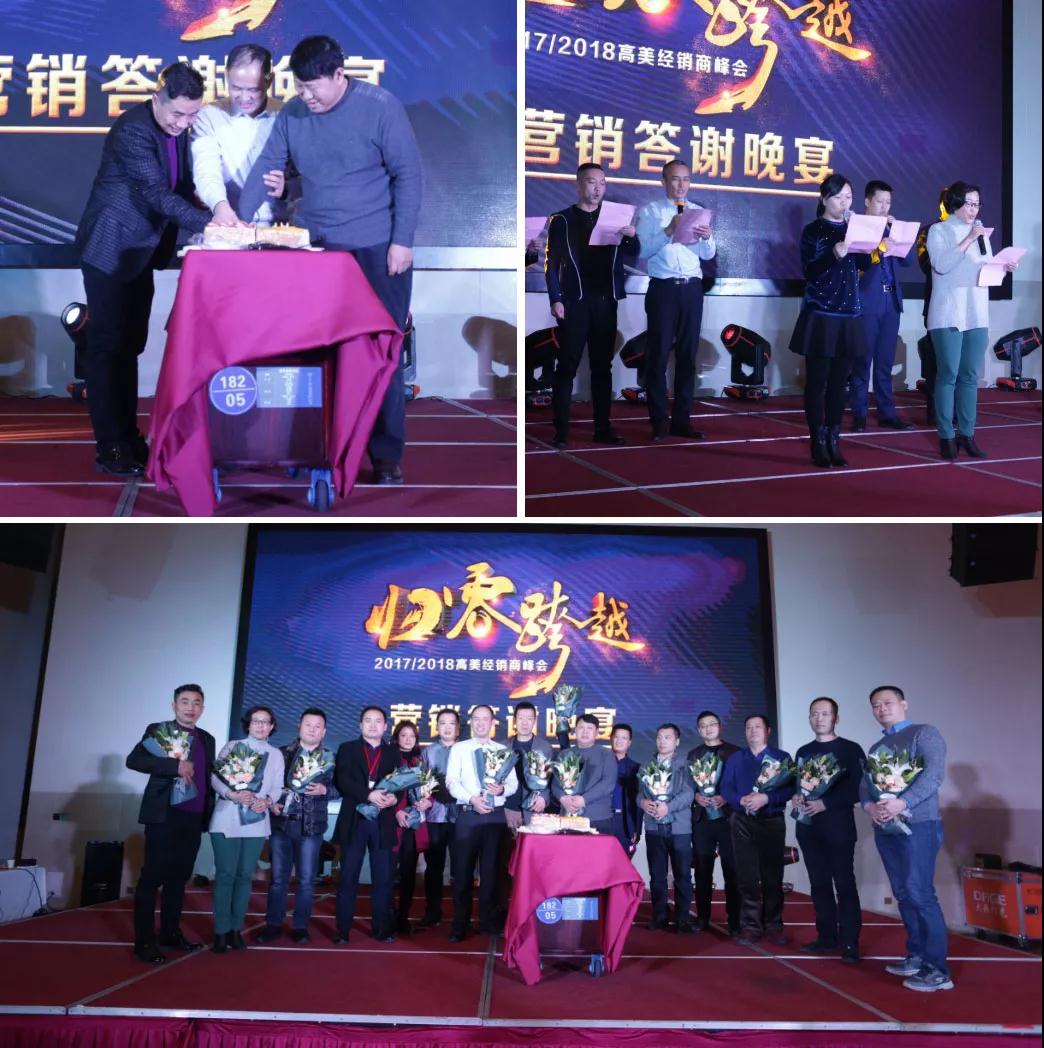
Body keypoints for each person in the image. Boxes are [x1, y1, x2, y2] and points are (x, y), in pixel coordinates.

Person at [238, 34, 423, 485]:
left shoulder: (380, 107)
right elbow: (267, 166)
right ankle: (317, 445)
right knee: (315, 352)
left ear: (339, 75)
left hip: (376, 250)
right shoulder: (293, 114)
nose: (305, 96)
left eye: (312, 87)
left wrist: (401, 241)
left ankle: (386, 455)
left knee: (380, 353)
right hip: (317, 250)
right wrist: (238, 223)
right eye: (298, 86)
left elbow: (408, 175)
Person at [75, 63, 232, 476]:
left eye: (192, 115)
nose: (183, 123)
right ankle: (110, 446)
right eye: (177, 114)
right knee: (108, 346)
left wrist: (218, 205)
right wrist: (213, 224)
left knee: (130, 345)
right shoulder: (133, 130)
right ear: (155, 100)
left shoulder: (177, 130)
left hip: (140, 253)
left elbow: (183, 185)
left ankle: (129, 438)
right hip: (110, 248)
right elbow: (156, 193)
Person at [860, 685, 951, 992]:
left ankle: (937, 970)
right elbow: (865, 785)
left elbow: (933, 775)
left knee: (920, 893)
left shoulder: (924, 734)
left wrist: (903, 803)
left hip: (919, 825)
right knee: (903, 893)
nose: (882, 709)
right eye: (876, 705)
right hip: (886, 828)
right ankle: (917, 955)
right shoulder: (877, 747)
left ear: (904, 704)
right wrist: (870, 807)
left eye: (887, 702)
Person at [544, 163, 639, 447]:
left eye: (602, 183)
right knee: (567, 367)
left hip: (606, 302)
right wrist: (556, 298)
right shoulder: (562, 219)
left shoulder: (614, 218)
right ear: (578, 185)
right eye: (591, 182)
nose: (597, 189)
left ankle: (602, 428)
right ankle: (561, 431)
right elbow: (551, 264)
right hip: (575, 302)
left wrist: (631, 236)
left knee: (602, 368)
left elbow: (633, 252)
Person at [926, 182, 1017, 460]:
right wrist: (968, 239)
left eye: (977, 204)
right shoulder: (939, 230)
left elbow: (984, 272)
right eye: (969, 203)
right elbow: (942, 265)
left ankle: (967, 434)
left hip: (976, 312)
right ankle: (946, 436)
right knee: (948, 375)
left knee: (969, 376)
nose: (974, 209)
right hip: (948, 312)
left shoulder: (981, 234)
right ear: (955, 202)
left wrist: (1003, 268)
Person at [125, 684, 215, 963]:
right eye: (184, 701)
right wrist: (173, 767)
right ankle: (144, 942)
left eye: (196, 703)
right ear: (174, 705)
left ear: (202, 708)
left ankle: (170, 933)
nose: (190, 707)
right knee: (152, 878)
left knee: (178, 879)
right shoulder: (159, 730)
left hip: (193, 817)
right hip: (164, 815)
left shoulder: (207, 739)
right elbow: (134, 760)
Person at [789, 173, 870, 468]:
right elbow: (809, 271)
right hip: (821, 314)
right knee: (817, 382)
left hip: (849, 313)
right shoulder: (814, 230)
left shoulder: (852, 228)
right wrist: (833, 254)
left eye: (848, 197)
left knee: (839, 383)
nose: (844, 203)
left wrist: (868, 241)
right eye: (838, 197)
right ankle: (817, 441)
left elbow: (864, 263)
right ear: (824, 199)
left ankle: (834, 438)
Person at [635, 159, 716, 441]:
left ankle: (682, 420)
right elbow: (642, 250)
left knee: (687, 356)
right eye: (675, 178)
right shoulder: (650, 211)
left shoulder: (698, 212)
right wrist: (669, 230)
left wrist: (707, 238)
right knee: (658, 355)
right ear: (663, 181)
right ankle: (659, 420)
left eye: (686, 179)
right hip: (664, 289)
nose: (681, 185)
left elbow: (707, 255)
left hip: (692, 289)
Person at [792, 698, 866, 963]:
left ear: (836, 718)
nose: (819, 718)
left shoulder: (850, 749)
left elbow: (860, 788)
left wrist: (826, 803)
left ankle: (850, 943)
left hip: (838, 827)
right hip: (808, 828)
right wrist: (797, 797)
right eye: (814, 714)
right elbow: (800, 785)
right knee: (819, 884)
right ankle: (826, 937)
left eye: (825, 713)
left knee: (844, 884)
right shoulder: (804, 751)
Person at [256, 707, 338, 944]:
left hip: (311, 828)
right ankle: (273, 924)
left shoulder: (330, 758)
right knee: (278, 879)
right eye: (308, 724)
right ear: (299, 726)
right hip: (282, 824)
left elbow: (340, 788)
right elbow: (266, 784)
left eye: (317, 726)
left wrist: (324, 790)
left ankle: (301, 926)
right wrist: (271, 802)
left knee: (306, 880)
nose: (312, 729)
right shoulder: (281, 754)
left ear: (324, 731)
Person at [208, 705, 284, 953]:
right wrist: (231, 794)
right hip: (226, 818)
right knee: (225, 875)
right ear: (248, 724)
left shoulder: (276, 754)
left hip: (256, 820)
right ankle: (221, 931)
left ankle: (235, 930)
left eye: (266, 721)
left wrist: (268, 801)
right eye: (256, 721)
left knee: (244, 876)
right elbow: (215, 777)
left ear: (272, 726)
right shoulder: (233, 746)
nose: (261, 725)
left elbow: (278, 786)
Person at [191, 43, 289, 227]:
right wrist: (220, 206)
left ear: (269, 81)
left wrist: (287, 188)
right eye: (236, 88)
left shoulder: (286, 116)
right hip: (227, 224)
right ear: (226, 77)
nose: (244, 98)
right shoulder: (209, 116)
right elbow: (206, 169)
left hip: (279, 226)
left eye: (253, 90)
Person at [445, 705, 518, 941]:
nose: (480, 723)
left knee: (492, 873)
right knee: (463, 872)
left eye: (485, 719)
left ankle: (488, 921)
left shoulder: (503, 750)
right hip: (468, 815)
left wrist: (502, 789)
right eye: (476, 719)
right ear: (470, 722)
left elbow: (514, 784)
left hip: (495, 816)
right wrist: (472, 799)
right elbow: (451, 781)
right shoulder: (460, 748)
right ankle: (460, 924)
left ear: (493, 722)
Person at [721, 714, 793, 946]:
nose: (753, 731)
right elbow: (726, 788)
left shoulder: (781, 758)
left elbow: (790, 788)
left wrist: (767, 798)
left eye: (758, 727)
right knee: (746, 876)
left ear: (768, 730)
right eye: (748, 727)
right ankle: (750, 926)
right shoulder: (735, 759)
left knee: (773, 876)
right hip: (741, 821)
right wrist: (740, 800)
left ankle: (774, 925)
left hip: (771, 820)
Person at [332, 706, 402, 943]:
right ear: (360, 725)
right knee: (348, 877)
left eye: (378, 721)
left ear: (385, 726)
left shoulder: (392, 753)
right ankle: (343, 930)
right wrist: (367, 794)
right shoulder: (347, 748)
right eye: (368, 720)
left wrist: (394, 798)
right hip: (355, 819)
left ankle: (381, 928)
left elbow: (400, 783)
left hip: (382, 821)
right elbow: (342, 780)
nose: (373, 725)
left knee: (383, 879)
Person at [850, 180, 914, 432]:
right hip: (868, 301)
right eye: (880, 201)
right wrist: (879, 245)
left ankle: (887, 413)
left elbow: (907, 260)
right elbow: (858, 263)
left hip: (891, 302)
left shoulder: (890, 228)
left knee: (885, 362)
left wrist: (897, 234)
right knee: (862, 361)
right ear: (867, 202)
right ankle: (859, 414)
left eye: (888, 202)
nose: (885, 206)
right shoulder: (858, 227)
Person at [686, 710, 741, 935]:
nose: (708, 728)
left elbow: (742, 784)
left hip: (728, 818)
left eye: (712, 724)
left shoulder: (735, 753)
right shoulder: (693, 754)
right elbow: (687, 786)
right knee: (702, 870)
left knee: (732, 870)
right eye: (703, 726)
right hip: (702, 820)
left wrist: (726, 797)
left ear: (720, 726)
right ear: (699, 730)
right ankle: (702, 917)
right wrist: (695, 797)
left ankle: (735, 919)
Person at [639, 723, 695, 933]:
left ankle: (682, 919)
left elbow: (688, 794)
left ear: (677, 741)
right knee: (657, 875)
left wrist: (668, 807)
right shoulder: (646, 766)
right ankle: (660, 916)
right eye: (660, 737)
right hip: (654, 827)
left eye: (668, 737)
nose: (662, 741)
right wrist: (643, 803)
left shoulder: (686, 765)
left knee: (682, 875)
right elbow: (639, 794)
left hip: (679, 827)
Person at [417, 708, 460, 927]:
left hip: (461, 816)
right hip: (435, 816)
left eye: (451, 723)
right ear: (437, 727)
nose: (447, 727)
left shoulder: (466, 750)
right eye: (442, 723)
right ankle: (432, 911)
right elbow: (421, 781)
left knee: (461, 868)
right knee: (434, 868)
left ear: (458, 727)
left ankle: (461, 916)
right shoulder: (429, 752)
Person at [391, 720, 432, 935]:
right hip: (392, 823)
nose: (407, 739)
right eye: (403, 735)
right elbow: (383, 789)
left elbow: (430, 789)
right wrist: (397, 811)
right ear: (396, 737)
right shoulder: (388, 758)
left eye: (412, 736)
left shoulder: (420, 761)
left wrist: (428, 802)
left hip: (413, 825)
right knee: (389, 874)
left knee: (408, 874)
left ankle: (403, 917)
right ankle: (388, 915)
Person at [549, 712, 617, 835]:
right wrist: (563, 798)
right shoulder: (564, 754)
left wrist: (584, 799)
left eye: (589, 728)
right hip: (568, 817)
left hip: (598, 818)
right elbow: (555, 784)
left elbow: (608, 784)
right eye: (581, 728)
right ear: (575, 730)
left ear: (597, 732)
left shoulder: (606, 755)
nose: (585, 732)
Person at [504, 701, 555, 827]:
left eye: (529, 718)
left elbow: (550, 780)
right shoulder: (503, 746)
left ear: (534, 721)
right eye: (521, 718)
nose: (525, 723)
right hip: (506, 808)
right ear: (514, 720)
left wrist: (543, 798)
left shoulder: (544, 747)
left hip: (533, 808)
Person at [608, 723, 641, 857]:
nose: (619, 741)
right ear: (611, 738)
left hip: (624, 822)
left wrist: (636, 829)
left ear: (629, 742)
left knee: (622, 863)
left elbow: (638, 802)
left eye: (624, 738)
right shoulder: (600, 764)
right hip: (603, 819)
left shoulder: (636, 768)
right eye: (616, 737)